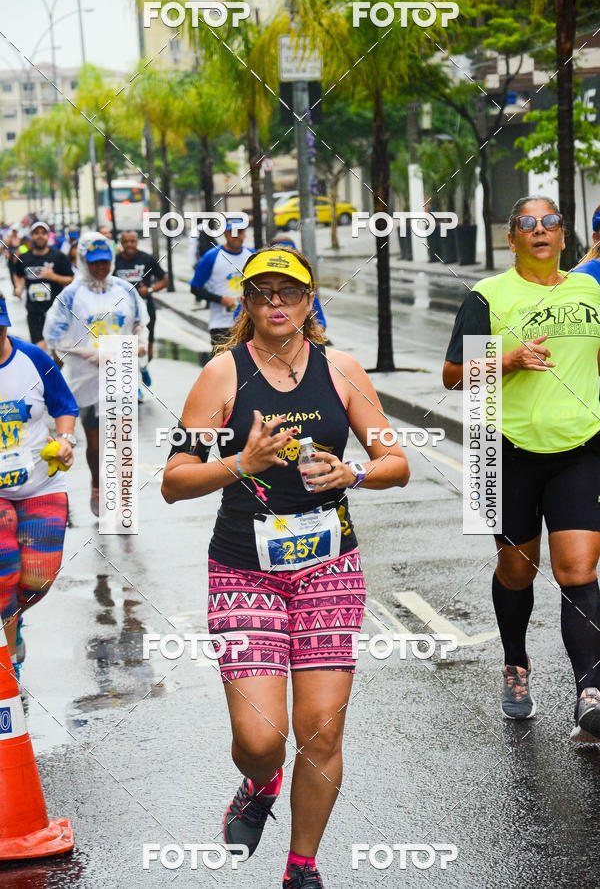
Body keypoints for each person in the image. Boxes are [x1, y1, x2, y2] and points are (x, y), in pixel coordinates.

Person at [162, 245, 409, 888]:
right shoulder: (222, 375)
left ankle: (302, 867)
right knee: (262, 737)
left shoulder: (343, 369)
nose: (276, 303)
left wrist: (353, 471)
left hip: (329, 566)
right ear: (246, 303)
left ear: (308, 302)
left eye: (288, 292)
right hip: (245, 570)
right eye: (262, 292)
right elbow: (174, 481)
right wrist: (242, 463)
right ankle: (260, 779)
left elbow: (396, 462)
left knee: (321, 732)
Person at [443, 195, 600, 741]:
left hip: (580, 447)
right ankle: (515, 664)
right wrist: (505, 360)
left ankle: (590, 691)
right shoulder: (487, 296)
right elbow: (452, 376)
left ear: (563, 236)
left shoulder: (590, 290)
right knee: (516, 570)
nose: (539, 230)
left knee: (578, 571)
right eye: (527, 223)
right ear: (511, 239)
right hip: (503, 449)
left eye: (550, 222)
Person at [0, 291, 78, 681]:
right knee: (3, 574)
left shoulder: (32, 358)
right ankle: (7, 658)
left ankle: (11, 620)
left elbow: (65, 406)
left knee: (37, 578)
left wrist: (65, 441)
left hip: (40, 483)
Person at [43, 232, 148, 517]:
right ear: (83, 261)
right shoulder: (71, 294)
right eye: (94, 262)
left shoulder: (126, 290)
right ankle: (98, 483)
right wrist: (89, 353)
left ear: (111, 260)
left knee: (122, 441)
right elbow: (54, 337)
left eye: (104, 262)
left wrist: (139, 346)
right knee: (96, 444)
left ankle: (125, 498)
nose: (100, 268)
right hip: (87, 380)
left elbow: (140, 324)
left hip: (121, 376)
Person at [113, 230, 168, 397]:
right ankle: (134, 386)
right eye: (126, 241)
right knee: (126, 351)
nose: (129, 245)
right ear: (121, 243)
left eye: (132, 241)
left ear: (136, 242)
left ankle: (143, 368)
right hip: (121, 313)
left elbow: (165, 279)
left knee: (146, 351)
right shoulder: (115, 261)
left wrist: (150, 289)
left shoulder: (147, 259)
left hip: (145, 311)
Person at [189, 221, 254, 349]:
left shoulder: (253, 255)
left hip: (248, 323)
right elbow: (195, 288)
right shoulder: (211, 257)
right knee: (223, 368)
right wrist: (221, 299)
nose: (236, 236)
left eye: (240, 232)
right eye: (232, 232)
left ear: (245, 234)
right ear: (225, 234)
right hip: (221, 325)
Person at [13, 221, 74, 349]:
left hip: (56, 310)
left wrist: (54, 277)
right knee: (40, 348)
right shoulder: (24, 257)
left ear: (48, 236)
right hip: (34, 312)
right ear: (31, 236)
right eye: (36, 233)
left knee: (59, 351)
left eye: (43, 233)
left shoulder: (58, 257)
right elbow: (18, 274)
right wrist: (18, 287)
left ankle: (55, 369)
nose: (40, 236)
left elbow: (71, 279)